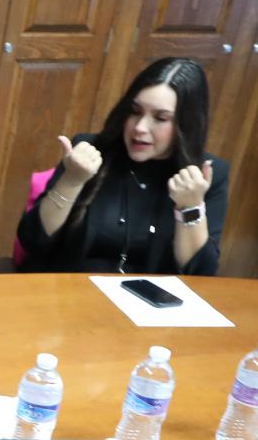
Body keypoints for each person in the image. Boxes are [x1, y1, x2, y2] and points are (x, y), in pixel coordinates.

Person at [17, 57, 228, 276]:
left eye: (160, 118)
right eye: (135, 111)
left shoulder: (205, 176)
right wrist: (71, 180)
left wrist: (190, 207)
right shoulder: (91, 151)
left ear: (187, 124)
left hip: (149, 303)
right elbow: (33, 241)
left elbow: (200, 276)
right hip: (71, 291)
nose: (140, 127)